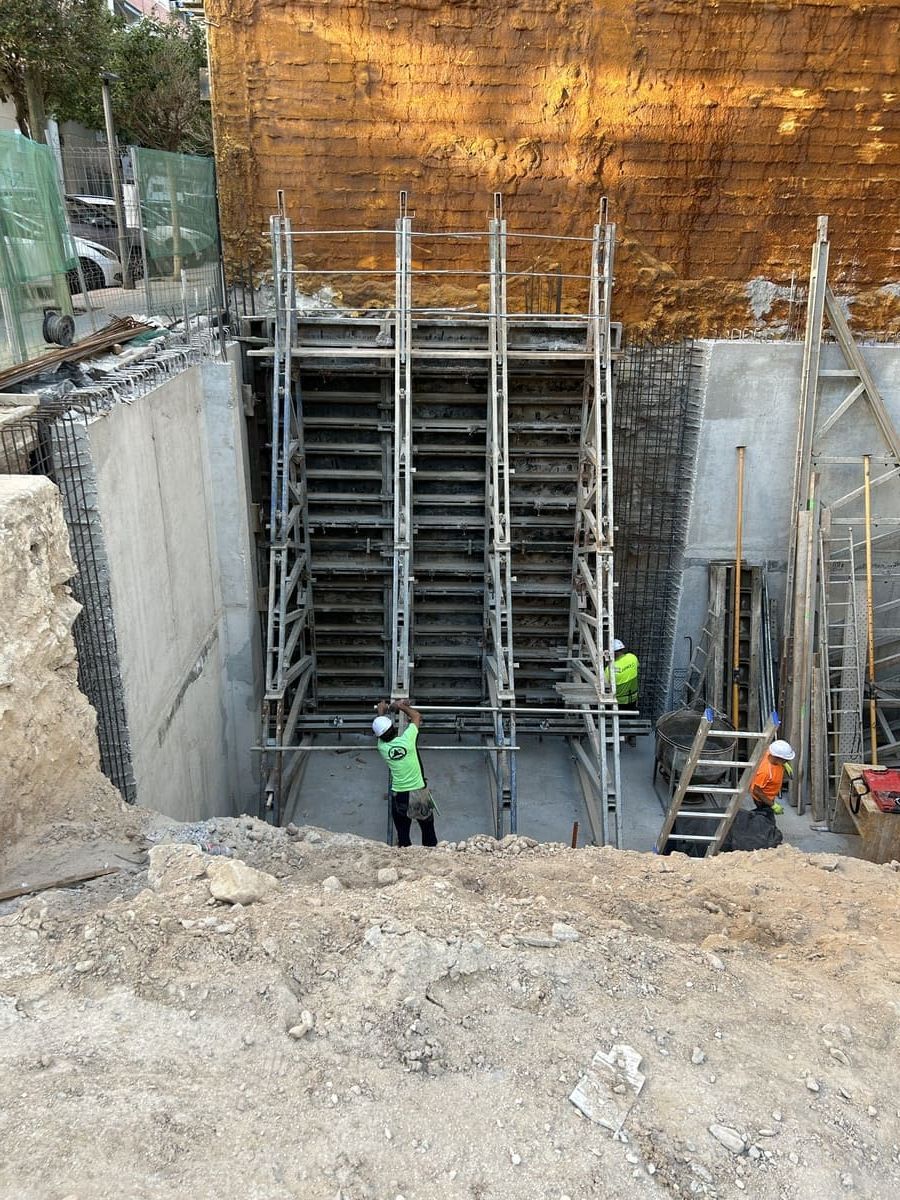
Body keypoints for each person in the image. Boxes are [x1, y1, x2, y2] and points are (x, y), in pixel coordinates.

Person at [372, 699, 437, 848]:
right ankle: (431, 855)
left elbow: (380, 730)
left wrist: (381, 711)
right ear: (393, 728)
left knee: (403, 834)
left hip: (400, 795)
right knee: (428, 831)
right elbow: (416, 716)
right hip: (419, 792)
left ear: (379, 737)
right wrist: (400, 705)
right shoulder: (408, 739)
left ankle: (405, 856)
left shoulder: (382, 748)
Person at [721, 738, 795, 854]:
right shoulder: (765, 771)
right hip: (763, 799)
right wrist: (772, 805)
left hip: (770, 794)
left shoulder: (770, 754)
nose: (786, 761)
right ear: (777, 757)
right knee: (766, 818)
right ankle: (765, 841)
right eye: (785, 760)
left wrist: (785, 765)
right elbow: (757, 791)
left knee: (764, 816)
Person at [607, 638, 639, 707]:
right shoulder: (633, 658)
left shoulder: (609, 668)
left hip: (618, 702)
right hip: (633, 699)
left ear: (612, 653)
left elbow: (605, 684)